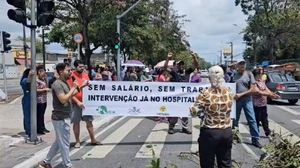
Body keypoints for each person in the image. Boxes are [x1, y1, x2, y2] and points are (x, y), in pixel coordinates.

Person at [39, 63, 89, 168]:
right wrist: (74, 87)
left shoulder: (64, 82)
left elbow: (71, 93)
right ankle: (67, 165)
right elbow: (63, 99)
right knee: (65, 143)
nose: (70, 72)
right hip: (60, 118)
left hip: (64, 116)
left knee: (59, 141)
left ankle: (46, 161)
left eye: (70, 70)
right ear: (61, 72)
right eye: (68, 70)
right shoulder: (57, 84)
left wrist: (81, 86)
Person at [190, 65, 234, 168]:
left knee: (207, 164)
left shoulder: (205, 93)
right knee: (225, 164)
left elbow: (195, 112)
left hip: (210, 132)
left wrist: (194, 109)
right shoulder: (229, 92)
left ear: (209, 78)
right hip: (226, 131)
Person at [68, 60, 102, 148]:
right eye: (80, 66)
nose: (82, 68)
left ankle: (93, 139)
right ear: (75, 67)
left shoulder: (86, 76)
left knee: (89, 121)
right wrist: (78, 102)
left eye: (83, 66)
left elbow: (90, 87)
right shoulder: (71, 77)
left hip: (86, 103)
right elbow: (70, 92)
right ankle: (77, 141)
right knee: (76, 122)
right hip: (76, 103)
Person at [163, 51, 199, 134]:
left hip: (185, 97)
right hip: (176, 97)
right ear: (176, 66)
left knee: (185, 114)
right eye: (179, 64)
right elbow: (165, 68)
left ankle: (184, 128)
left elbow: (196, 65)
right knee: (174, 114)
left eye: (182, 64)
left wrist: (194, 57)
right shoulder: (174, 73)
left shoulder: (187, 72)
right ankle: (171, 127)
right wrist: (168, 59)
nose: (181, 66)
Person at [232, 61, 262, 148]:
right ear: (237, 66)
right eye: (240, 64)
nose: (242, 66)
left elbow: (253, 89)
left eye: (243, 64)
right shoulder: (233, 75)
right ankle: (235, 136)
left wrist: (241, 94)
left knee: (251, 119)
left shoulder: (249, 75)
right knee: (235, 119)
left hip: (247, 100)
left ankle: (255, 138)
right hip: (236, 100)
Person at [252, 68, 280, 137]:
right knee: (257, 119)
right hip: (256, 105)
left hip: (263, 104)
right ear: (257, 74)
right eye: (261, 73)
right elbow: (258, 92)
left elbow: (266, 89)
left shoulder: (261, 81)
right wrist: (269, 95)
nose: (262, 74)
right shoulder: (253, 82)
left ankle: (267, 132)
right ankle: (256, 134)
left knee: (265, 119)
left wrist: (273, 94)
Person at [20, 68, 35, 137]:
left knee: (31, 116)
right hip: (27, 100)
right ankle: (29, 132)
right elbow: (27, 83)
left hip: (32, 99)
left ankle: (30, 130)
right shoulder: (25, 80)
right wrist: (30, 75)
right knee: (28, 116)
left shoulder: (32, 80)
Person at [36, 65, 50, 134]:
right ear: (39, 72)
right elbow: (35, 90)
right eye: (43, 72)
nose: (44, 74)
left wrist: (46, 79)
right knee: (39, 115)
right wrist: (43, 89)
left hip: (44, 99)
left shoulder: (43, 79)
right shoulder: (36, 80)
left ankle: (43, 127)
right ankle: (39, 129)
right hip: (39, 100)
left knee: (42, 114)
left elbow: (47, 85)